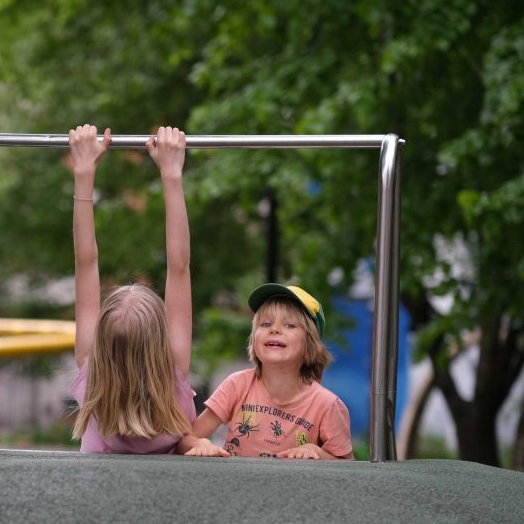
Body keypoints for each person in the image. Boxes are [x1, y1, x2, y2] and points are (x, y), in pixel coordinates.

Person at [69, 124, 197, 454]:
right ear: (160, 342)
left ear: (101, 343)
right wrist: (171, 173)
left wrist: (83, 171)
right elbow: (179, 267)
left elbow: (86, 262)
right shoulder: (174, 374)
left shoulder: (90, 376)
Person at [182, 284, 354, 459]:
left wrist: (318, 453)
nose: (275, 329)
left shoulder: (327, 405)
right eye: (265, 324)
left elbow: (350, 469)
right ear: (254, 341)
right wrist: (200, 443)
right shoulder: (237, 385)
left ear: (309, 344)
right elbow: (187, 439)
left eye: (289, 325)